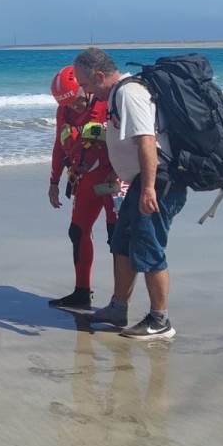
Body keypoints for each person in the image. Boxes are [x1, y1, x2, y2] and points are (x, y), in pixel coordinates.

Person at [73, 48, 185, 339]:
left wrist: (148, 188)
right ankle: (118, 307)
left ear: (98, 76)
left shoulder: (128, 93)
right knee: (122, 243)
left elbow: (146, 142)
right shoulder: (116, 96)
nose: (84, 91)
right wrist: (117, 173)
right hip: (140, 181)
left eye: (84, 84)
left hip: (159, 182)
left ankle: (160, 320)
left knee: (149, 248)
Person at [46, 66, 118, 310]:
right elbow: (59, 146)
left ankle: (119, 302)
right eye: (68, 104)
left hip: (114, 181)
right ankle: (81, 292)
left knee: (117, 238)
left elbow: (133, 141)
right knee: (77, 233)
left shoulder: (109, 103)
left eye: (77, 101)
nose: (74, 107)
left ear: (85, 88)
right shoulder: (63, 111)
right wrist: (54, 182)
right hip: (84, 179)